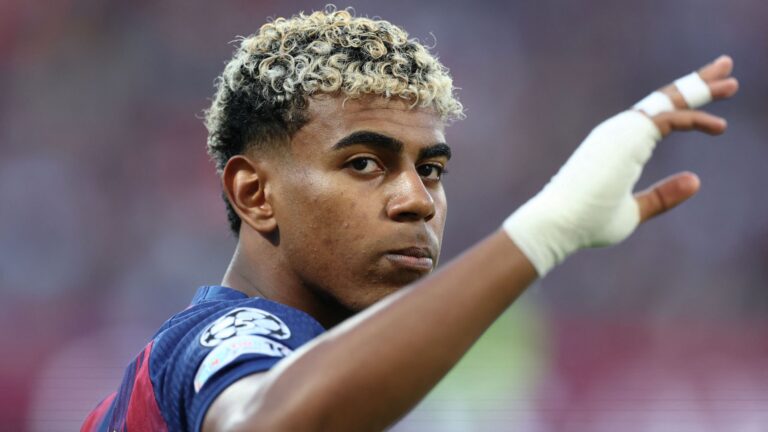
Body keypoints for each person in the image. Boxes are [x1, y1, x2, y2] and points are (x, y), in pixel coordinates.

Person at [81, 7, 739, 432]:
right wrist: (546, 231)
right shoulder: (221, 339)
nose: (417, 199)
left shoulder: (339, 376)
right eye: (364, 163)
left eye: (431, 169)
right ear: (255, 194)